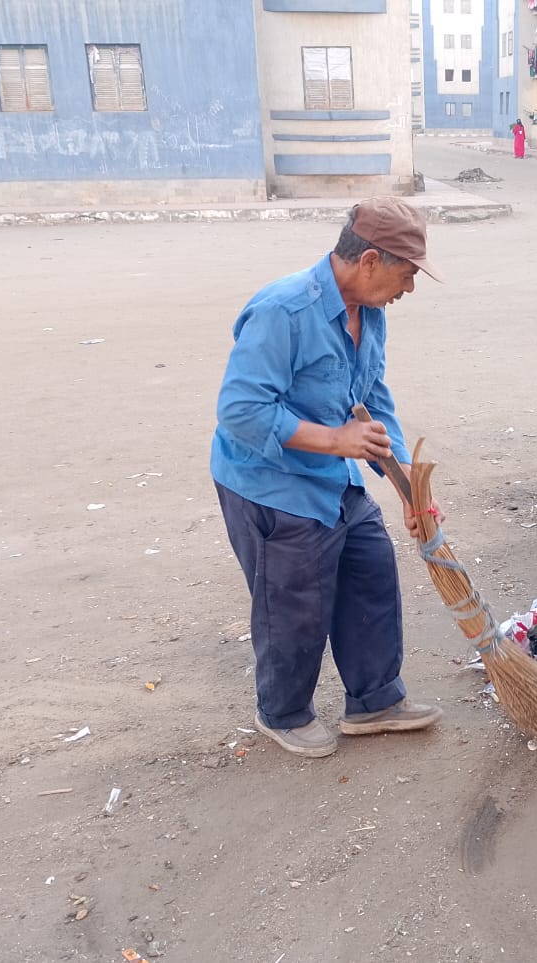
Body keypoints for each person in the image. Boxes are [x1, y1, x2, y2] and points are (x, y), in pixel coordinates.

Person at [211, 197, 444, 759]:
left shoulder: (371, 312)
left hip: (331, 477)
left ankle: (374, 702)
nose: (410, 288)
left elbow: (372, 399)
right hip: (270, 482)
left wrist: (408, 487)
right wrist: (336, 441)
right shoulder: (284, 311)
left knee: (371, 570)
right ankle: (283, 713)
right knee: (295, 603)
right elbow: (240, 411)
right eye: (407, 273)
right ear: (370, 260)